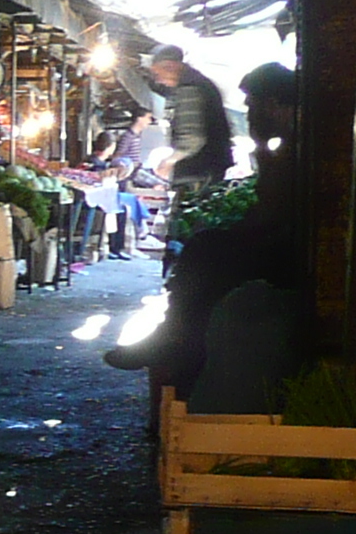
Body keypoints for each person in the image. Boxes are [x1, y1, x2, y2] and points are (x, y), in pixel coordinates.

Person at [106, 63, 306, 389]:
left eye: (252, 104)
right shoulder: (284, 146)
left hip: (285, 253)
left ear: (273, 105)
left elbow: (269, 213)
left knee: (204, 253)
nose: (249, 112)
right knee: (202, 249)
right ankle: (172, 335)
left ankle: (172, 338)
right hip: (276, 241)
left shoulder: (296, 149)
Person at [149, 44, 234, 184]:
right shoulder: (199, 83)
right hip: (212, 167)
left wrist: (169, 161)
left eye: (157, 74)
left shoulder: (189, 88)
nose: (158, 80)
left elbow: (192, 139)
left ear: (171, 66)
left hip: (200, 171)